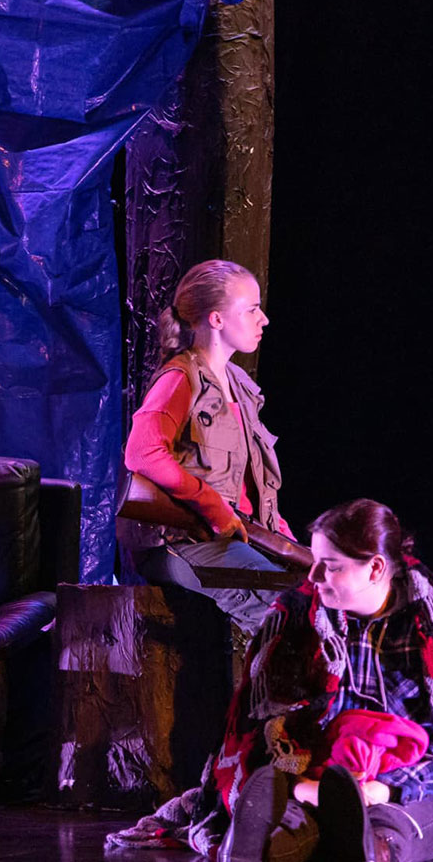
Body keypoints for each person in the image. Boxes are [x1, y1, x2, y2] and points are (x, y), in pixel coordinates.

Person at [110, 499, 433, 862]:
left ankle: (370, 847)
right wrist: (303, 780)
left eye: (330, 565)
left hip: (409, 786)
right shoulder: (297, 614)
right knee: (293, 818)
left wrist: (385, 788)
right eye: (315, 561)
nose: (313, 576)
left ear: (376, 568)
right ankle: (257, 845)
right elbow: (265, 723)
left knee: (395, 826)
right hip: (319, 778)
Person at [123, 258, 292, 637]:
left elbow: (250, 485)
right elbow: (142, 452)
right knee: (279, 613)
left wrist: (283, 540)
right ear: (216, 320)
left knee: (311, 597)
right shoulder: (181, 377)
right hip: (184, 539)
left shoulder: (239, 384)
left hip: (237, 535)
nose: (263, 319)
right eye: (251, 310)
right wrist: (210, 503)